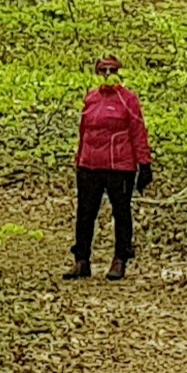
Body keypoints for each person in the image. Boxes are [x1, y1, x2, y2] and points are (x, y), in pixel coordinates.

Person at [66, 56, 153, 280]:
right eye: (102, 70)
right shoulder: (91, 98)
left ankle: (120, 259)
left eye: (111, 70)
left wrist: (144, 164)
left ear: (118, 73)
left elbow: (138, 131)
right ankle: (81, 260)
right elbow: (83, 131)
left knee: (121, 213)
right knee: (85, 214)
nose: (106, 74)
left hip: (119, 167)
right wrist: (79, 160)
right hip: (89, 165)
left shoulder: (128, 99)